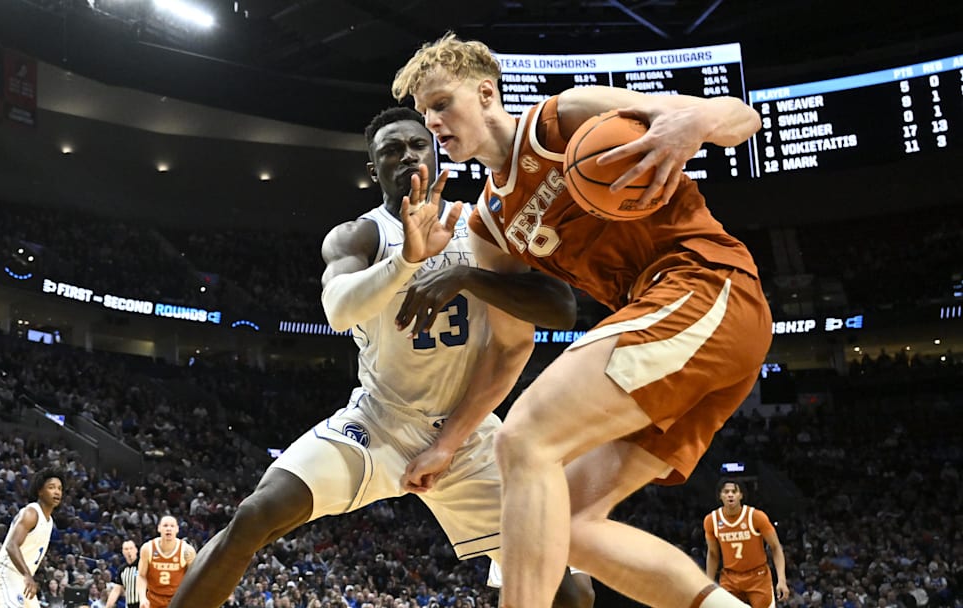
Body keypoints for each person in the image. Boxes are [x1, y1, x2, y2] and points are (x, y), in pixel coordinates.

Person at [392, 33, 771, 608]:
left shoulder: (561, 119)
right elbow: (509, 347)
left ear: (487, 93)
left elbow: (740, 116)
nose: (433, 123)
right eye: (425, 113)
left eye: (442, 104)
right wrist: (450, 442)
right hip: (683, 330)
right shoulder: (490, 225)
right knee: (565, 521)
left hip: (706, 283)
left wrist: (689, 123)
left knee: (527, 437)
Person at [168, 107, 590, 608]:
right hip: (380, 422)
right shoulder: (359, 236)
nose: (407, 155)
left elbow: (562, 309)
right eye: (391, 150)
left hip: (466, 432)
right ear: (375, 168)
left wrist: (468, 276)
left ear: (434, 152)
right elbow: (338, 310)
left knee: (571, 591)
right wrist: (407, 259)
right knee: (257, 513)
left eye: (416, 145)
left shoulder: (479, 226)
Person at [704, 480, 788, 608]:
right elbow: (713, 554)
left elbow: (776, 547)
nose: (730, 495)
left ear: (741, 495)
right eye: (726, 492)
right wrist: (708, 583)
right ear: (720, 496)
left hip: (758, 576)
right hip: (730, 577)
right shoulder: (712, 520)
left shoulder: (756, 516)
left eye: (734, 491)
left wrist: (781, 579)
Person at [0, 468, 65, 608]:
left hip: (22, 580)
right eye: (51, 487)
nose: (57, 492)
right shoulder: (32, 513)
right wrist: (27, 575)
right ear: (40, 491)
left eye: (59, 488)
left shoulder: (49, 521)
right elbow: (11, 545)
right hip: (6, 573)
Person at [137, 516, 195, 608]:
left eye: (172, 526)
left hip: (177, 599)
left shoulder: (187, 551)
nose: (168, 529)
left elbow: (194, 578)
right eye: (165, 525)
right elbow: (141, 575)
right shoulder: (148, 548)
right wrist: (142, 598)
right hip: (154, 599)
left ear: (177, 529)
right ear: (159, 528)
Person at [104, 539, 141, 608]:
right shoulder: (122, 569)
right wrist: (107, 606)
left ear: (136, 550)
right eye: (126, 549)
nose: (129, 551)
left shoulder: (143, 565)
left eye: (131, 548)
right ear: (123, 552)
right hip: (130, 605)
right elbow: (116, 590)